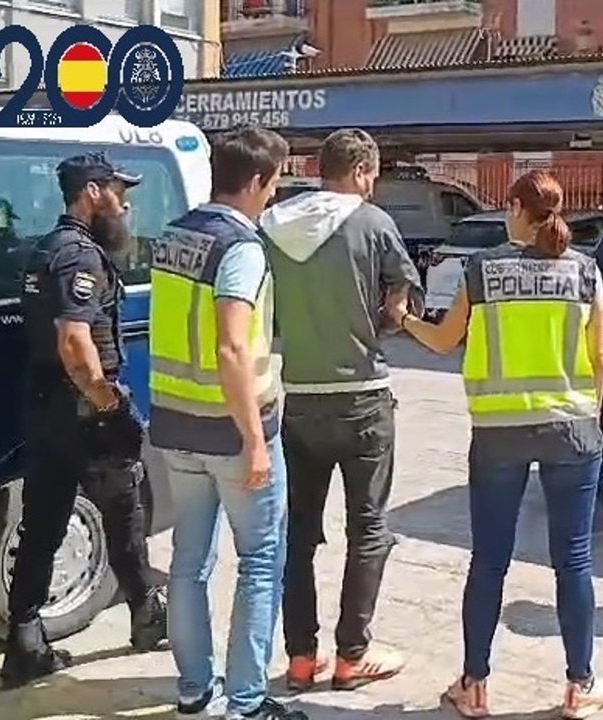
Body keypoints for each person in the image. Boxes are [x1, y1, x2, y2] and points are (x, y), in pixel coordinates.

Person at [397, 170, 603, 719]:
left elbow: (446, 341)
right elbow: (599, 358)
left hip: (498, 432)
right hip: (571, 428)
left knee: (489, 560)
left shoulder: (483, 269)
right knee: (574, 562)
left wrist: (403, 319)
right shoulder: (586, 272)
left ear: (517, 209)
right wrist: (588, 413)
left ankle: (474, 686)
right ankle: (579, 686)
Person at [149, 126, 306, 720]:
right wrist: (255, 442)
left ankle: (194, 691)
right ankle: (245, 703)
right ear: (259, 181)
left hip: (175, 426)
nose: (274, 193)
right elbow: (233, 348)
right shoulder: (240, 248)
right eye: (275, 182)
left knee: (188, 563)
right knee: (260, 563)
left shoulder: (173, 236)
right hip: (233, 431)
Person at [259, 128, 419, 692]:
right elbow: (399, 301)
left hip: (298, 396)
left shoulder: (273, 224)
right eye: (371, 177)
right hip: (363, 400)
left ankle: (301, 657)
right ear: (360, 172)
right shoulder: (373, 223)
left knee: (297, 534)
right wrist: (382, 316)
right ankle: (352, 655)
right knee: (368, 528)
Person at [4, 152, 166, 689]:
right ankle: (147, 615)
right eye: (120, 192)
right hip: (83, 408)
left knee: (43, 525)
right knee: (123, 514)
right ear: (92, 192)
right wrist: (107, 403)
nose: (126, 203)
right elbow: (75, 343)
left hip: (45, 405)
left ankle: (24, 643)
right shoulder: (80, 256)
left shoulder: (44, 249)